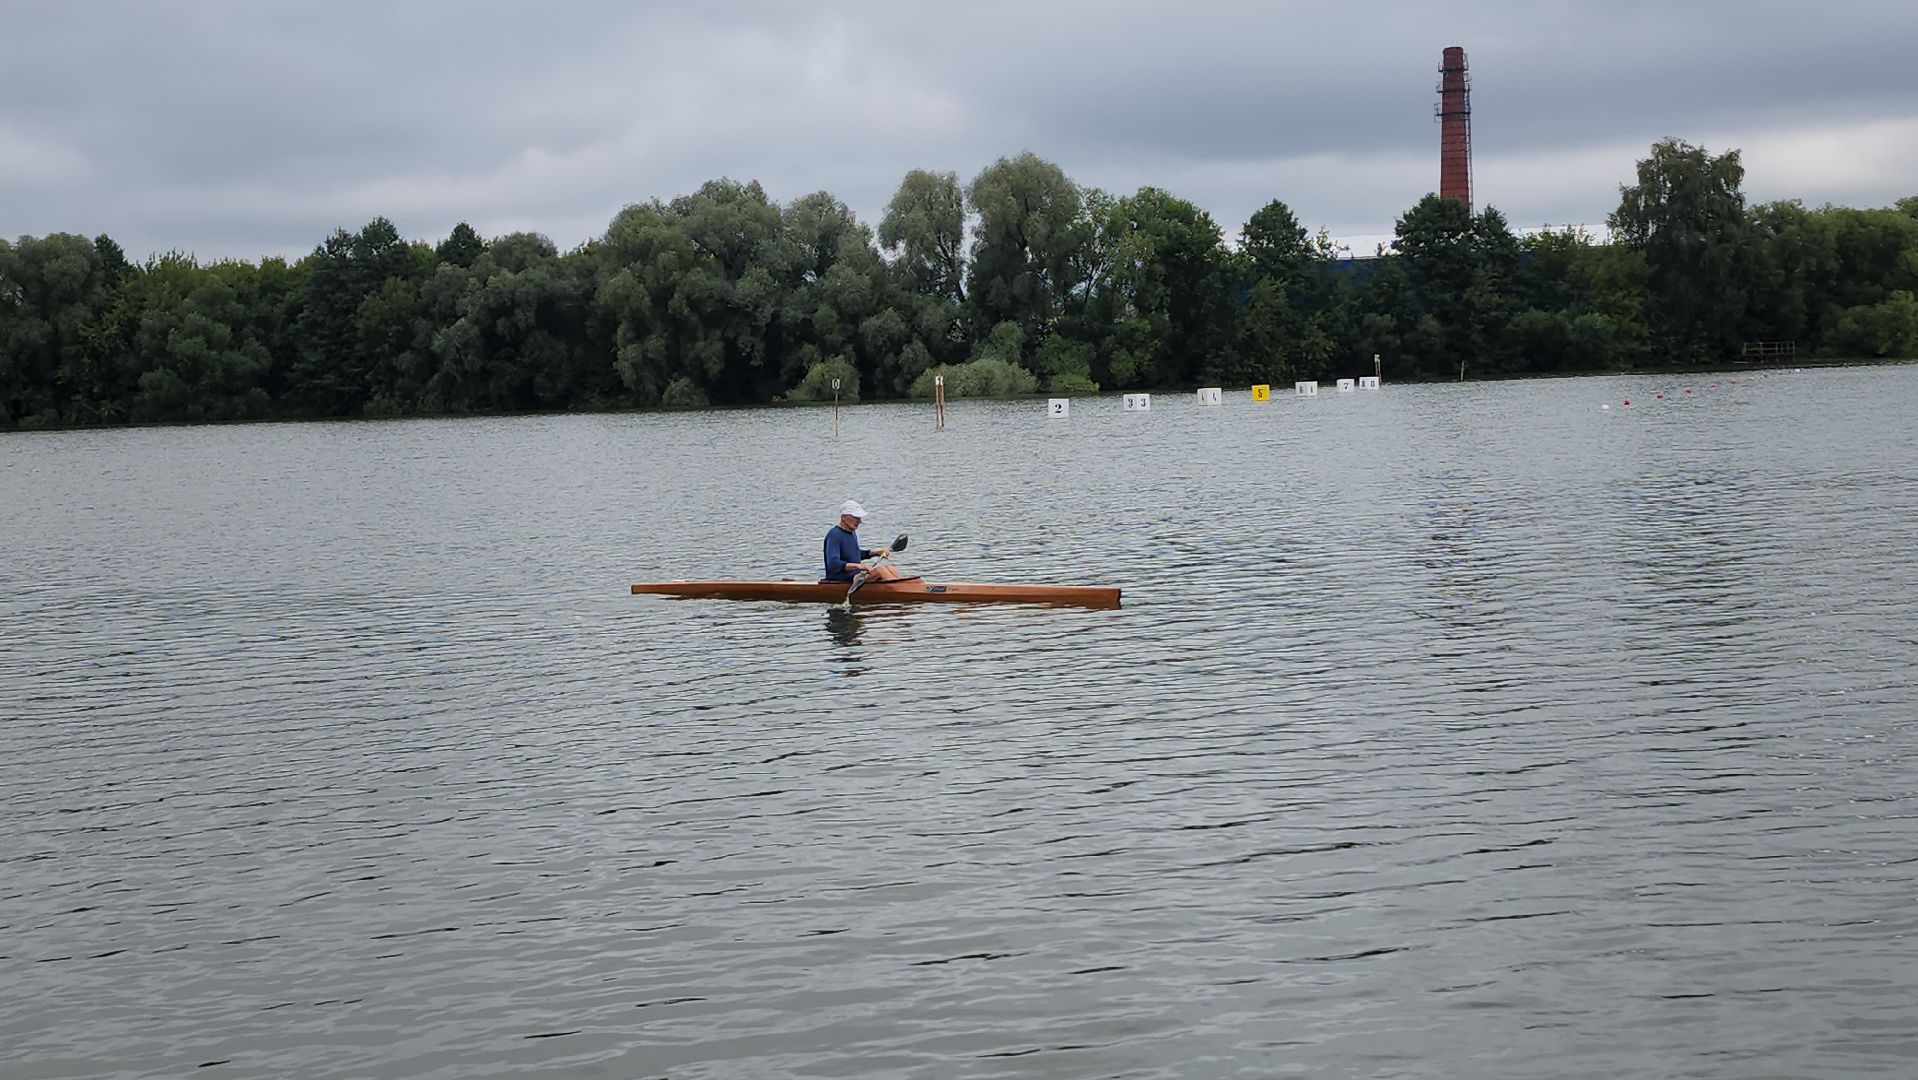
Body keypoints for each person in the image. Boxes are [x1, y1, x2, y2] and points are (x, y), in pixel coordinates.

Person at [823, 500, 899, 583]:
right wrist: (860, 566)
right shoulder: (834, 535)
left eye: (859, 518)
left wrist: (876, 553)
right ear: (844, 517)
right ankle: (902, 591)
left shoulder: (852, 533)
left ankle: (907, 588)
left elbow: (854, 554)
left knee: (891, 568)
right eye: (856, 518)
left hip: (855, 575)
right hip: (840, 579)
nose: (859, 521)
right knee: (880, 571)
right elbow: (833, 563)